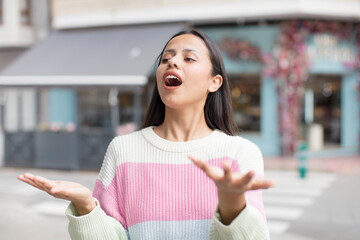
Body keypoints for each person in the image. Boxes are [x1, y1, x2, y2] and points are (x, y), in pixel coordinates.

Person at [18, 29, 274, 240]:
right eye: (166, 59)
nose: (172, 62)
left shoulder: (240, 154)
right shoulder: (123, 150)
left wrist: (232, 204)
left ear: (214, 82)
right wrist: (86, 207)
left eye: (189, 58)